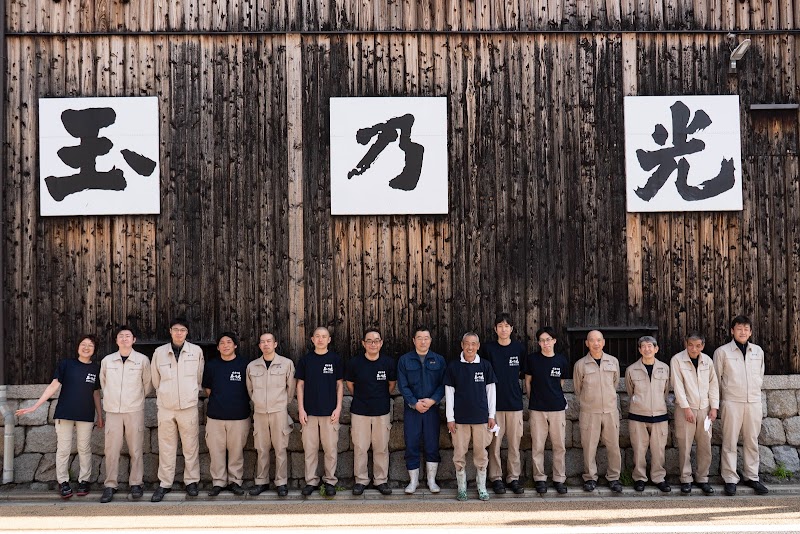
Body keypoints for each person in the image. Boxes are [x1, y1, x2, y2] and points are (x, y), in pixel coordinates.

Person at [16, 335, 103, 499]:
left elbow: (96, 393)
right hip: (64, 413)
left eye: (90, 345)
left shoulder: (95, 369)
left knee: (84, 449)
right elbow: (53, 385)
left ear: (94, 350)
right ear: (78, 347)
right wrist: (35, 405)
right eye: (83, 344)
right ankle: (63, 482)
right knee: (64, 449)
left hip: (85, 414)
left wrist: (99, 415)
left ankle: (84, 481)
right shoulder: (66, 364)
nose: (86, 347)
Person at [150, 318, 205, 502]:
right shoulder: (159, 353)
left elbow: (199, 377)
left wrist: (190, 393)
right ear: (170, 331)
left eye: (182, 330)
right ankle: (165, 483)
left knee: (191, 446)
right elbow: (156, 380)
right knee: (166, 446)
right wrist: (165, 394)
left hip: (188, 406)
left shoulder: (195, 351)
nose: (179, 333)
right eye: (176, 330)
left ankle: (191, 481)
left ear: (187, 332)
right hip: (166, 406)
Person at [714, 315, 769, 496]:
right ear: (732, 330)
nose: (743, 332)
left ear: (750, 331)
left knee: (751, 440)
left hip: (753, 402)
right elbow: (716, 379)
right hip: (732, 402)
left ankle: (751, 476)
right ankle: (730, 478)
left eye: (746, 329)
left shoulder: (758, 351)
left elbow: (760, 374)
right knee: (729, 440)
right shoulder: (722, 352)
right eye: (739, 328)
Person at [99, 326, 152, 503]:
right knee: (111, 449)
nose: (124, 339)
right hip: (113, 410)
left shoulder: (142, 360)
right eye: (120, 336)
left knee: (136, 448)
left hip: (134, 409)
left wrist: (135, 399)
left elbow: (147, 384)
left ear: (134, 340)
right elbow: (103, 383)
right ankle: (110, 484)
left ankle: (136, 482)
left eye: (128, 336)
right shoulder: (107, 361)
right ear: (116, 340)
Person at [445, 332, 497, 501]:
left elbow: (491, 392)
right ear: (462, 345)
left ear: (478, 346)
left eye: (473, 344)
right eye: (467, 343)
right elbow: (449, 394)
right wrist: (450, 418)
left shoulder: (485, 365)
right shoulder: (454, 367)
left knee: (481, 453)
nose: (470, 347)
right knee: (459, 453)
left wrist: (491, 415)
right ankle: (462, 487)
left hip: (481, 418)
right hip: (459, 419)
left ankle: (481, 487)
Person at [346, 328, 397, 495]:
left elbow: (391, 385)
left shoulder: (388, 363)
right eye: (369, 341)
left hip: (381, 411)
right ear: (363, 343)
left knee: (381, 447)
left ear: (381, 343)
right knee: (360, 447)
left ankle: (381, 480)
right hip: (360, 411)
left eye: (376, 340)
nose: (373, 344)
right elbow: (350, 385)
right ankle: (361, 480)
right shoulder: (355, 363)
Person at [397, 327, 446, 494]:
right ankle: (413, 481)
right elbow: (402, 385)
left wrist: (432, 401)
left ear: (430, 340)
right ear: (413, 340)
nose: (423, 341)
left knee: (432, 443)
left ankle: (432, 481)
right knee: (411, 443)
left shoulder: (439, 360)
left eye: (426, 338)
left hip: (432, 409)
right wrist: (414, 403)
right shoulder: (404, 360)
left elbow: (443, 384)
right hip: (412, 410)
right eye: (419, 338)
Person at [295, 326, 344, 497]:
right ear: (312, 339)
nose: (321, 339)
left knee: (330, 449)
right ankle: (311, 481)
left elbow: (339, 385)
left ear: (329, 339)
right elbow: (300, 385)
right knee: (310, 449)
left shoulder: (335, 359)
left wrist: (338, 408)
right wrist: (300, 409)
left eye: (324, 336)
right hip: (309, 413)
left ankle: (330, 481)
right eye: (317, 336)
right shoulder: (306, 360)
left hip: (330, 413)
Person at [573, 329, 623, 493]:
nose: (596, 343)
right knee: (589, 447)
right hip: (589, 412)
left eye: (599, 340)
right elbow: (578, 389)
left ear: (603, 342)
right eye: (592, 340)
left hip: (609, 411)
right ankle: (590, 478)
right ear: (587, 343)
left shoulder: (613, 361)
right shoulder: (581, 364)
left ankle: (614, 477)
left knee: (613, 446)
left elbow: (614, 384)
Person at [246, 332, 296, 497]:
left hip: (278, 413)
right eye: (262, 342)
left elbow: (291, 389)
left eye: (269, 341)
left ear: (275, 344)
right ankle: (262, 481)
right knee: (261, 449)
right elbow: (250, 389)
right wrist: (258, 402)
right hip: (260, 413)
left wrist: (281, 404)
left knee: (281, 448)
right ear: (259, 345)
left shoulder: (286, 364)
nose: (266, 344)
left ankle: (281, 483)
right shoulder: (252, 366)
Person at [482, 313, 526, 495]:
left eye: (507, 326)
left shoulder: (519, 349)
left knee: (515, 443)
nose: (503, 329)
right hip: (494, 405)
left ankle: (513, 477)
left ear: (512, 329)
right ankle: (496, 478)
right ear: (495, 329)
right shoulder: (488, 349)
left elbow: (523, 373)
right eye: (500, 326)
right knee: (495, 444)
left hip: (514, 403)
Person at [670, 332, 719, 495]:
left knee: (705, 445)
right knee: (684, 445)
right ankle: (686, 479)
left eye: (698, 345)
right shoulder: (677, 360)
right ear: (686, 344)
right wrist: (686, 408)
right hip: (686, 409)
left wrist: (714, 407)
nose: (694, 348)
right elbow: (678, 385)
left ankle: (702, 478)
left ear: (702, 346)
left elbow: (713, 385)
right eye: (691, 345)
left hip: (704, 409)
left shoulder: (708, 361)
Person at [203, 332, 251, 496]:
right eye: (222, 343)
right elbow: (208, 389)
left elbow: (250, 388)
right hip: (215, 416)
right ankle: (218, 482)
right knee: (216, 451)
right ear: (218, 347)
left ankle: (235, 481)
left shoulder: (245, 365)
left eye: (229, 342)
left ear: (235, 345)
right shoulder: (212, 365)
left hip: (239, 416)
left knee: (236, 451)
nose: (225, 345)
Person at [525, 326, 568, 494]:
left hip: (557, 408)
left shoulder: (561, 360)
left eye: (548, 339)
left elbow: (561, 382)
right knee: (538, 445)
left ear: (554, 341)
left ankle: (559, 478)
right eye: (542, 340)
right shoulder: (532, 359)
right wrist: (533, 398)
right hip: (537, 408)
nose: (545, 343)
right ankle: (539, 478)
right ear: (539, 343)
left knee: (559, 445)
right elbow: (528, 382)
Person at [625, 335, 671, 493]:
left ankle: (658, 477)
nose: (647, 349)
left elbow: (665, 391)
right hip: (638, 415)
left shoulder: (665, 368)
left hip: (659, 415)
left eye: (650, 346)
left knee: (659, 449)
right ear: (639, 349)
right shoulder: (631, 369)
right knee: (639, 449)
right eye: (643, 346)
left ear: (656, 349)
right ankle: (639, 478)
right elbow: (630, 390)